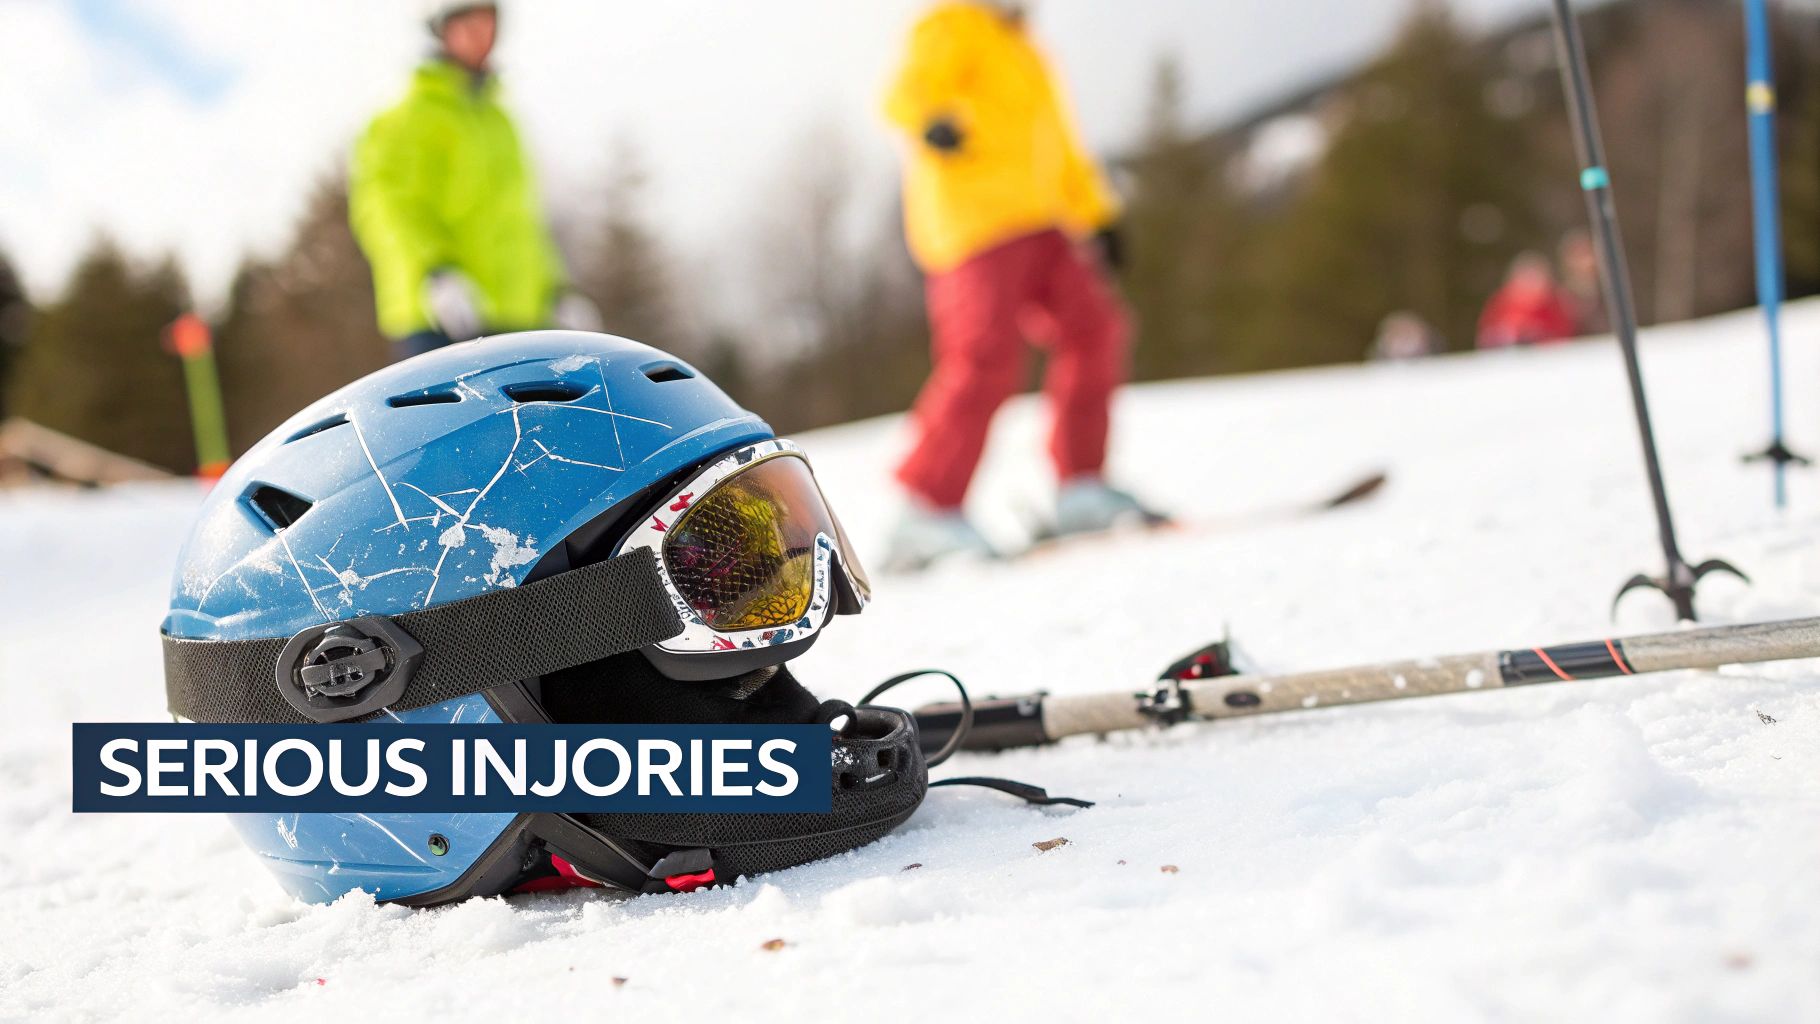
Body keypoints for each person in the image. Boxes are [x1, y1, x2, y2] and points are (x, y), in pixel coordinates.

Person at [881, 0, 1145, 569]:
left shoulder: (1026, 47)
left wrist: (1098, 212)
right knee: (985, 357)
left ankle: (1081, 488)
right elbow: (903, 93)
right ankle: (925, 508)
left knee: (1095, 329)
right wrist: (933, 119)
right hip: (973, 225)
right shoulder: (951, 24)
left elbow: (1059, 145)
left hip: (1043, 219)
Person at [349, 1, 598, 361]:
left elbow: (521, 221)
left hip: (520, 322)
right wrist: (434, 274)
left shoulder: (502, 124)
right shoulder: (403, 121)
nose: (482, 35)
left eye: (488, 22)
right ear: (441, 29)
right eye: (468, 22)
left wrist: (556, 290)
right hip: (441, 321)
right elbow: (386, 209)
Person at [1476, 251, 1579, 350]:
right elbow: (1488, 337)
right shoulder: (1500, 304)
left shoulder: (1555, 305)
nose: (1532, 285)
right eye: (1527, 279)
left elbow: (1563, 337)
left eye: (1536, 279)